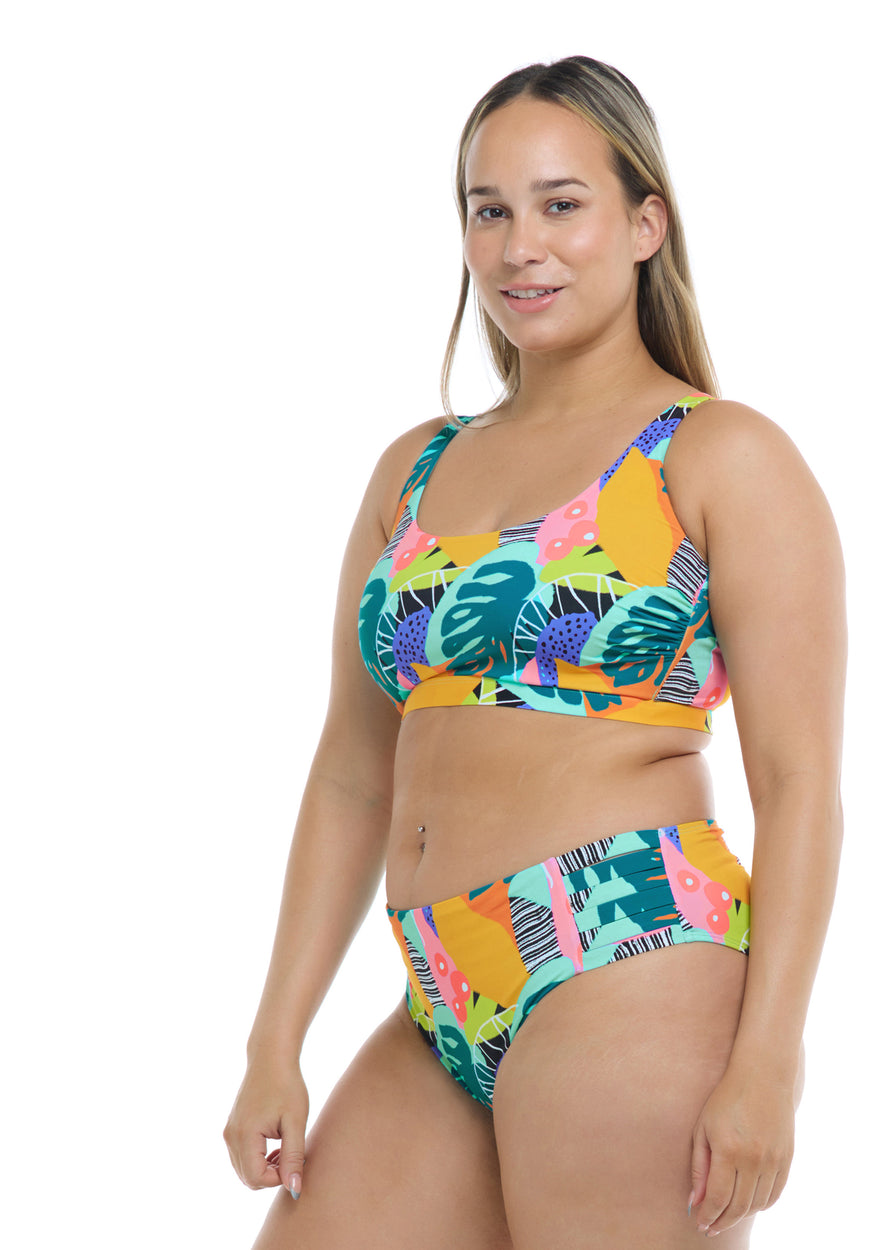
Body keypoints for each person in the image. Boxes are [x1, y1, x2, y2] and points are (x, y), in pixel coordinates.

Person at [224, 55, 845, 1249]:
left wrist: (772, 1057)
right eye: (489, 209)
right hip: (437, 981)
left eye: (561, 204)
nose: (521, 247)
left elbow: (800, 780)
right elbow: (351, 771)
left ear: (645, 223)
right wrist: (274, 1035)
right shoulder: (415, 465)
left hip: (628, 946)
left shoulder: (718, 455)